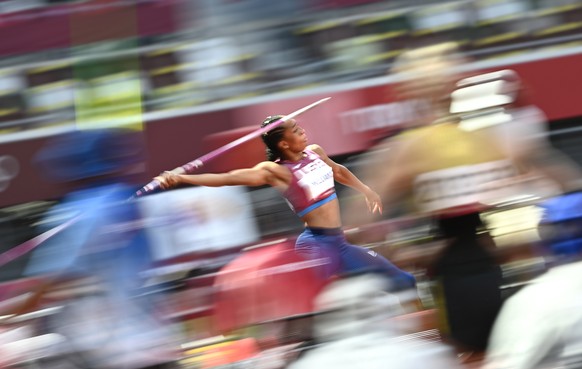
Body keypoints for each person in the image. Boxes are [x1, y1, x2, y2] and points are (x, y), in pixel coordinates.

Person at [156, 115, 416, 291]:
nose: (302, 131)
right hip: (317, 244)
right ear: (283, 143)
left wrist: (366, 190)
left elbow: (339, 171)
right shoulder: (277, 171)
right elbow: (228, 178)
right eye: (295, 130)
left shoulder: (315, 152)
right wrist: (180, 178)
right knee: (324, 300)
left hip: (339, 242)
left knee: (402, 279)